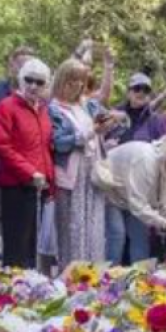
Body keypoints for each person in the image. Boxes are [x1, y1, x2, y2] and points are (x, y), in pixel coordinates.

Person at [49, 59, 119, 270]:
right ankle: (70, 274)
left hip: (93, 171)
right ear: (62, 80)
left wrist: (108, 122)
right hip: (72, 175)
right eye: (72, 80)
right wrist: (90, 133)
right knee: (72, 227)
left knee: (94, 225)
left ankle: (93, 272)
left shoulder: (87, 105)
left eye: (81, 81)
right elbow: (59, 143)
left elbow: (104, 105)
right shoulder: (53, 109)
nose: (77, 85)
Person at [0, 46, 36, 268]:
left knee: (21, 225)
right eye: (20, 63)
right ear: (11, 64)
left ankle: (17, 272)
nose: (23, 68)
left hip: (25, 166)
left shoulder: (35, 95)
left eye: (29, 65)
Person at [0, 58, 54, 269]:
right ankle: (11, 289)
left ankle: (31, 289)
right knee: (16, 242)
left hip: (40, 185)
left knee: (33, 244)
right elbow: (2, 146)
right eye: (29, 80)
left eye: (39, 82)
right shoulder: (6, 107)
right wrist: (30, 173)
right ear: (20, 80)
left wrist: (49, 181)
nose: (33, 86)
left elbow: (45, 147)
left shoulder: (43, 110)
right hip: (15, 184)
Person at [102, 135, 166, 265]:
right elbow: (138, 205)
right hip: (111, 190)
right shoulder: (145, 160)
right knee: (117, 234)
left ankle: (142, 279)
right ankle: (108, 277)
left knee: (141, 237)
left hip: (136, 198)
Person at [106, 72, 166, 147]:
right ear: (128, 93)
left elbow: (162, 149)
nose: (141, 92)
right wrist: (106, 144)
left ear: (149, 96)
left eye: (146, 90)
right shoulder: (115, 114)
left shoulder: (156, 121)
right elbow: (99, 139)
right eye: (137, 88)